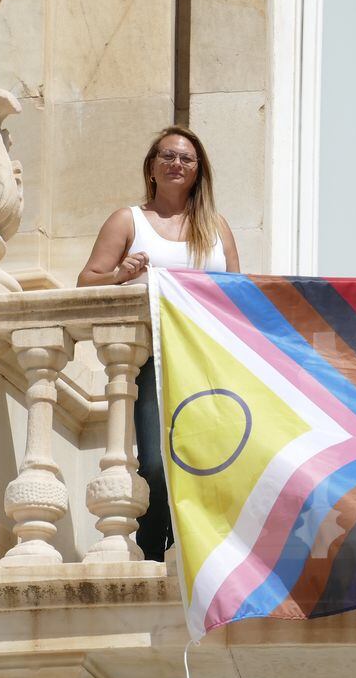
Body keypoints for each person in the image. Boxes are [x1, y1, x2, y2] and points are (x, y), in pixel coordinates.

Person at [78, 125, 240, 561]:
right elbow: (86, 281)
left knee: (205, 460)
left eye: (186, 159)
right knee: (153, 462)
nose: (176, 164)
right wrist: (120, 276)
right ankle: (153, 549)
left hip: (207, 364)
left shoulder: (217, 227)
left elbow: (238, 297)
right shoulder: (128, 220)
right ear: (151, 167)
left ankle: (190, 548)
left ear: (198, 170)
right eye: (167, 156)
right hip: (152, 359)